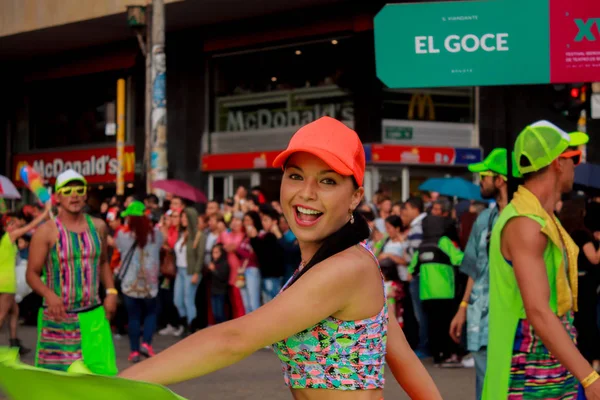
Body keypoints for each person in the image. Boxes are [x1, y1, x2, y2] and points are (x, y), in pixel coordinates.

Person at [119, 116, 442, 399]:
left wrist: (112, 385)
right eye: (296, 176)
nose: (306, 193)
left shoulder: (346, 267)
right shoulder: (344, 260)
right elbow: (403, 358)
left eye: (327, 181)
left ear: (356, 196)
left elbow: (233, 339)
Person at [483, 121, 600, 399]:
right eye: (575, 158)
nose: (576, 166)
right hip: (527, 367)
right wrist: (590, 377)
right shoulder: (525, 223)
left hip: (546, 360)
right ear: (558, 163)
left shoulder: (537, 218)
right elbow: (537, 310)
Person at [26, 169, 118, 374]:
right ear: (58, 197)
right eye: (67, 191)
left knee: (102, 380)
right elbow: (31, 273)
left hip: (94, 316)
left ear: (85, 194)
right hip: (58, 320)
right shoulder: (46, 231)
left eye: (79, 190)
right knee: (58, 386)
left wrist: (111, 292)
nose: (74, 195)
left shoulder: (99, 226)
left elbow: (103, 263)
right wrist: (49, 294)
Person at [448, 148, 515, 399]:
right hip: (481, 318)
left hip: (512, 321)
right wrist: (463, 307)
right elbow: (474, 268)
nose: (481, 182)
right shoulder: (484, 219)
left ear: (500, 180)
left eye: (485, 176)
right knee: (484, 387)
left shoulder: (522, 219)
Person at [409, 215, 464, 367]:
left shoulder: (422, 245)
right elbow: (458, 259)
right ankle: (448, 354)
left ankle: (436, 355)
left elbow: (412, 268)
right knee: (446, 324)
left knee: (432, 325)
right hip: (445, 292)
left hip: (426, 293)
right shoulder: (443, 241)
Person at [115, 201, 164, 363]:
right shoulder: (156, 234)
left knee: (134, 317)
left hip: (130, 284)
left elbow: (118, 247)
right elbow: (161, 246)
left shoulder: (123, 235)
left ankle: (134, 351)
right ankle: (147, 344)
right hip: (150, 285)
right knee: (151, 314)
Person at [0, 208, 49, 355]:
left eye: (14, 223)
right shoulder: (10, 236)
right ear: (5, 227)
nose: (15, 225)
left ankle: (14, 342)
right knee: (2, 314)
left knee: (14, 311)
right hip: (7, 281)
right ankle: (14, 343)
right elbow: (29, 227)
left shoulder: (5, 239)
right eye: (11, 223)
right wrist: (44, 214)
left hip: (4, 280)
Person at [560, 198, 600, 371]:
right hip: (586, 285)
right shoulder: (581, 235)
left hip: (574, 283)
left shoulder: (565, 232)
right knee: (589, 323)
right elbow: (594, 258)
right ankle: (594, 362)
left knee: (579, 323)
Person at [401, 196, 429, 358]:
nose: (404, 212)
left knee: (421, 314)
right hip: (421, 274)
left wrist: (410, 266)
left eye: (406, 208)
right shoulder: (420, 225)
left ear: (414, 208)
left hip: (417, 274)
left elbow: (416, 253)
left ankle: (423, 347)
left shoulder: (418, 226)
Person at [173, 207, 204, 335]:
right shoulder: (181, 233)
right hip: (180, 270)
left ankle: (191, 327)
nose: (183, 219)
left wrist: (196, 272)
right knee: (177, 300)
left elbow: (200, 256)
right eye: (182, 217)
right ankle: (184, 322)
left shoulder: (198, 235)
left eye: (186, 217)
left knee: (188, 299)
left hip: (190, 271)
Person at [208, 244, 230, 324]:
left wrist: (213, 270)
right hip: (213, 291)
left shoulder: (224, 263)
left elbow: (222, 277)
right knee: (215, 314)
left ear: (221, 253)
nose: (214, 255)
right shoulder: (213, 262)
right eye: (213, 253)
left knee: (220, 313)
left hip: (221, 291)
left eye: (216, 252)